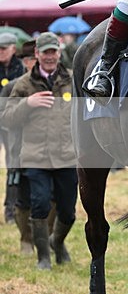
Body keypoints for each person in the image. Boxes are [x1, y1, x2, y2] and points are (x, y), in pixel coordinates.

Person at [2, 32, 78, 270]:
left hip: (67, 156)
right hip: (36, 157)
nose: (49, 56)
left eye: (53, 51)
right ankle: (43, 257)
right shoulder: (24, 84)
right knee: (40, 205)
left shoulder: (72, 80)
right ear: (36, 54)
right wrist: (28, 103)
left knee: (68, 211)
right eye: (45, 52)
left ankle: (57, 240)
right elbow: (7, 119)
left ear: (59, 52)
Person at [0, 39, 38, 252]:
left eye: (34, 58)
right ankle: (11, 212)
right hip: (16, 139)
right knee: (15, 178)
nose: (32, 62)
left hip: (45, 144)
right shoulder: (15, 86)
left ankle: (44, 233)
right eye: (29, 59)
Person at [0, 31, 25, 223]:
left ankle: (11, 208)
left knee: (13, 164)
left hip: (12, 124)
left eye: (4, 49)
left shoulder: (22, 70)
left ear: (13, 49)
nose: (1, 53)